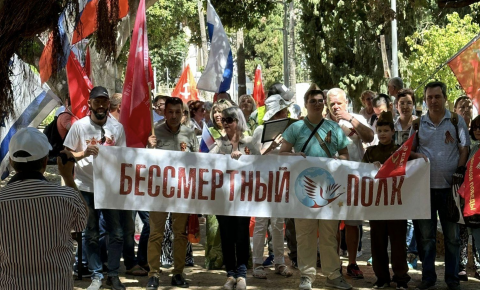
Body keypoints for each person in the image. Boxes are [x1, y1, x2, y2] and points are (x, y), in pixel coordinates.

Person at [64, 86, 135, 290]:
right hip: (86, 187)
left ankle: (113, 274)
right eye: (97, 101)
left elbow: (124, 158)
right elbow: (66, 154)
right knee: (90, 233)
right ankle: (96, 275)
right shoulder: (79, 127)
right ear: (89, 104)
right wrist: (84, 153)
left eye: (104, 101)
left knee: (117, 232)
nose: (101, 105)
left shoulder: (117, 128)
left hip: (110, 188)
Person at [279, 89, 352, 290]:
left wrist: (340, 161)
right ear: (306, 103)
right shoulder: (295, 128)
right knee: (305, 234)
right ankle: (307, 275)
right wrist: (295, 156)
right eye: (313, 101)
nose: (318, 104)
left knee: (329, 234)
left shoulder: (334, 128)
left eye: (321, 101)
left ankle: (333, 274)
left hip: (329, 189)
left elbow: (346, 154)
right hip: (302, 190)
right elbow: (283, 153)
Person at [0, 127, 87, 289]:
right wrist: (68, 177)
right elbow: (82, 221)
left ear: (11, 162)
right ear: (45, 161)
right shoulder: (67, 197)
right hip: (57, 285)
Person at [410, 81, 470, 290]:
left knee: (452, 238)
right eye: (429, 97)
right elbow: (409, 151)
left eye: (437, 96)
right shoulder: (417, 124)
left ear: (445, 98)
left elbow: (464, 148)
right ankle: (428, 278)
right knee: (426, 238)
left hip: (450, 191)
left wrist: (460, 170)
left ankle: (452, 280)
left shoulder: (456, 121)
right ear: (425, 100)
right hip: (423, 191)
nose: (433, 101)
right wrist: (419, 156)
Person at [362, 111, 420, 290]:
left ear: (393, 131)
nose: (382, 134)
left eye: (386, 130)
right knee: (377, 243)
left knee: (398, 243)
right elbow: (359, 171)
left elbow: (412, 162)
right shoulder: (370, 152)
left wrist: (420, 159)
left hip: (396, 205)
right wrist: (370, 167)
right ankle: (382, 278)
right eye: (379, 131)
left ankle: (401, 278)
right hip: (377, 205)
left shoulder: (400, 151)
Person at [146, 97, 198, 290]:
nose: (174, 116)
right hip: (158, 192)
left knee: (180, 234)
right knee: (155, 234)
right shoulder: (154, 132)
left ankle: (178, 273)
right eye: (170, 112)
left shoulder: (190, 133)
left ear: (183, 113)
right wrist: (148, 147)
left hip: (182, 193)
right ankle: (153, 274)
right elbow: (142, 162)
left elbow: (197, 162)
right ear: (164, 112)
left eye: (178, 112)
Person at [325, 88, 374, 279]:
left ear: (346, 103)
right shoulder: (321, 123)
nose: (336, 107)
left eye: (339, 103)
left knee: (353, 223)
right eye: (332, 104)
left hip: (354, 179)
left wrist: (349, 119)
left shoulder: (355, 118)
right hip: (330, 181)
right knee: (333, 225)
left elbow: (369, 137)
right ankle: (334, 262)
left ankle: (352, 263)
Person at [209, 107, 260, 290]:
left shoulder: (250, 142)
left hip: (244, 198)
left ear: (238, 121)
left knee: (242, 235)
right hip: (223, 199)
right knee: (226, 236)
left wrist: (244, 158)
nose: (226, 123)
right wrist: (225, 158)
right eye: (223, 120)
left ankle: (242, 274)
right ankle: (230, 275)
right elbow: (207, 164)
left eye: (229, 120)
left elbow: (260, 164)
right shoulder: (218, 144)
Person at [251, 94, 293, 279]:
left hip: (281, 180)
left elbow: (287, 154)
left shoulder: (288, 131)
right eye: (282, 111)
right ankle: (257, 263)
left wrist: (296, 154)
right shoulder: (260, 130)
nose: (285, 113)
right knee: (261, 222)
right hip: (262, 181)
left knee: (278, 223)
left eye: (285, 111)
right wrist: (271, 146)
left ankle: (279, 262)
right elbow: (254, 156)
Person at [458, 115, 480, 281]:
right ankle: (462, 266)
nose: (478, 130)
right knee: (470, 236)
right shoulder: (472, 148)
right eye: (475, 127)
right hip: (470, 201)